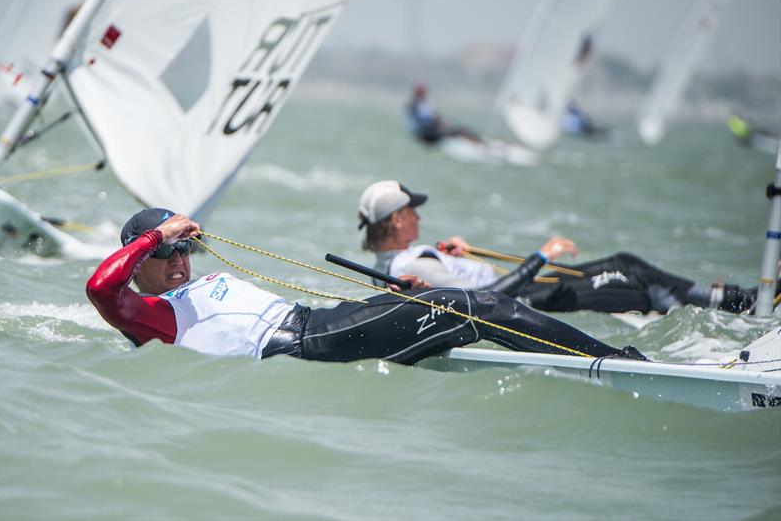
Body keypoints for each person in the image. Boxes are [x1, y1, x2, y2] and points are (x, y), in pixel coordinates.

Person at [86, 208, 646, 364]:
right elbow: (98, 288)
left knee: (436, 303)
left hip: (315, 321)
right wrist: (156, 233)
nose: (178, 260)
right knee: (479, 305)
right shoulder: (146, 314)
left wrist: (394, 298)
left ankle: (571, 353)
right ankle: (617, 363)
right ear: (139, 261)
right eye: (164, 254)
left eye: (182, 249)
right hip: (303, 343)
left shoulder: (189, 285)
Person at [358, 180, 763, 315]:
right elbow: (481, 300)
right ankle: (738, 305)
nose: (419, 218)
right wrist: (541, 256)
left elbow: (453, 279)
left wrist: (455, 253)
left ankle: (731, 299)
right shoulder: (414, 266)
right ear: (396, 220)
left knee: (623, 262)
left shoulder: (408, 258)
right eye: (413, 212)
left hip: (532, 291)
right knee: (631, 280)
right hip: (531, 302)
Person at [405, 84, 482, 145]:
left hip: (423, 135)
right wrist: (438, 121)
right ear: (420, 93)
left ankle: (476, 141)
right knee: (462, 130)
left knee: (457, 129)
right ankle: (480, 144)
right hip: (427, 136)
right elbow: (424, 121)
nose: (426, 93)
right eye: (424, 91)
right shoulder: (417, 104)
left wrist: (437, 119)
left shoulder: (416, 104)